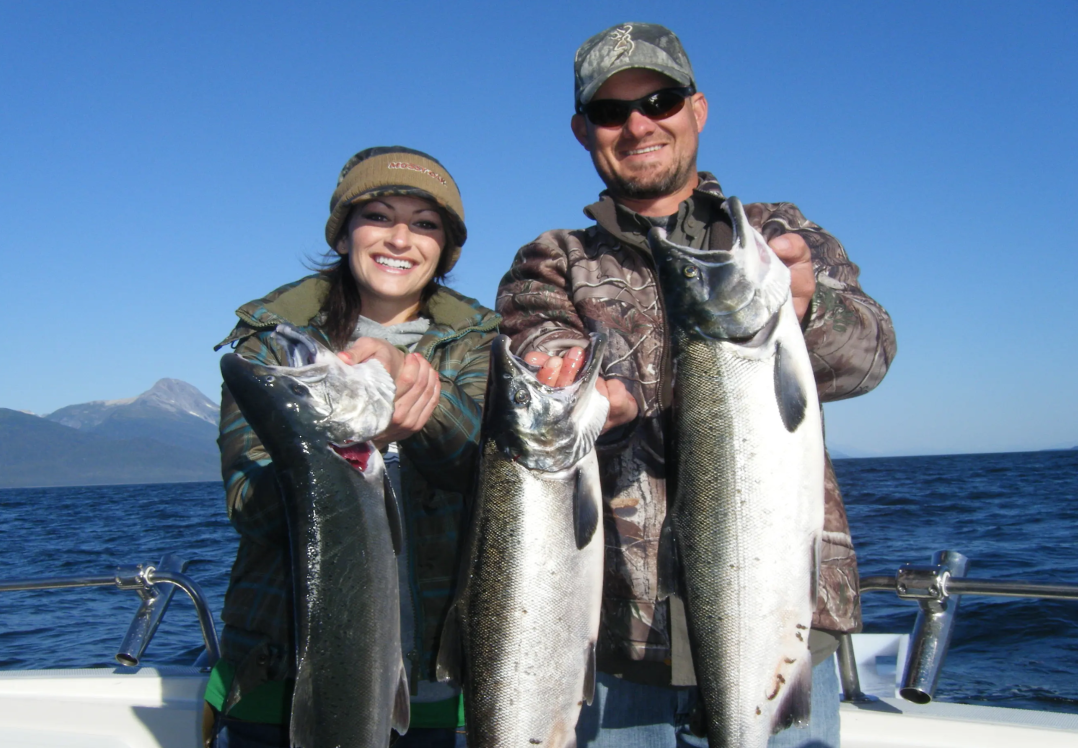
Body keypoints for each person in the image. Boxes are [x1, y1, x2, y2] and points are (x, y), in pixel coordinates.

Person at [496, 23, 897, 748]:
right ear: (583, 130)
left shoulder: (774, 233)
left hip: (782, 629)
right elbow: (541, 357)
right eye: (613, 112)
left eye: (660, 99)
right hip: (625, 656)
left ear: (698, 108)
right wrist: (593, 401)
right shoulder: (551, 262)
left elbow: (869, 357)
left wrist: (809, 313)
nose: (639, 124)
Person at [207, 146, 497, 748]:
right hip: (278, 676)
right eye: (378, 216)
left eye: (425, 224)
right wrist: (321, 442)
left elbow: (488, 474)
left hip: (439, 687)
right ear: (343, 234)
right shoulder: (272, 343)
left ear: (445, 248)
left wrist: (429, 404)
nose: (400, 238)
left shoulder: (483, 344)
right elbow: (248, 505)